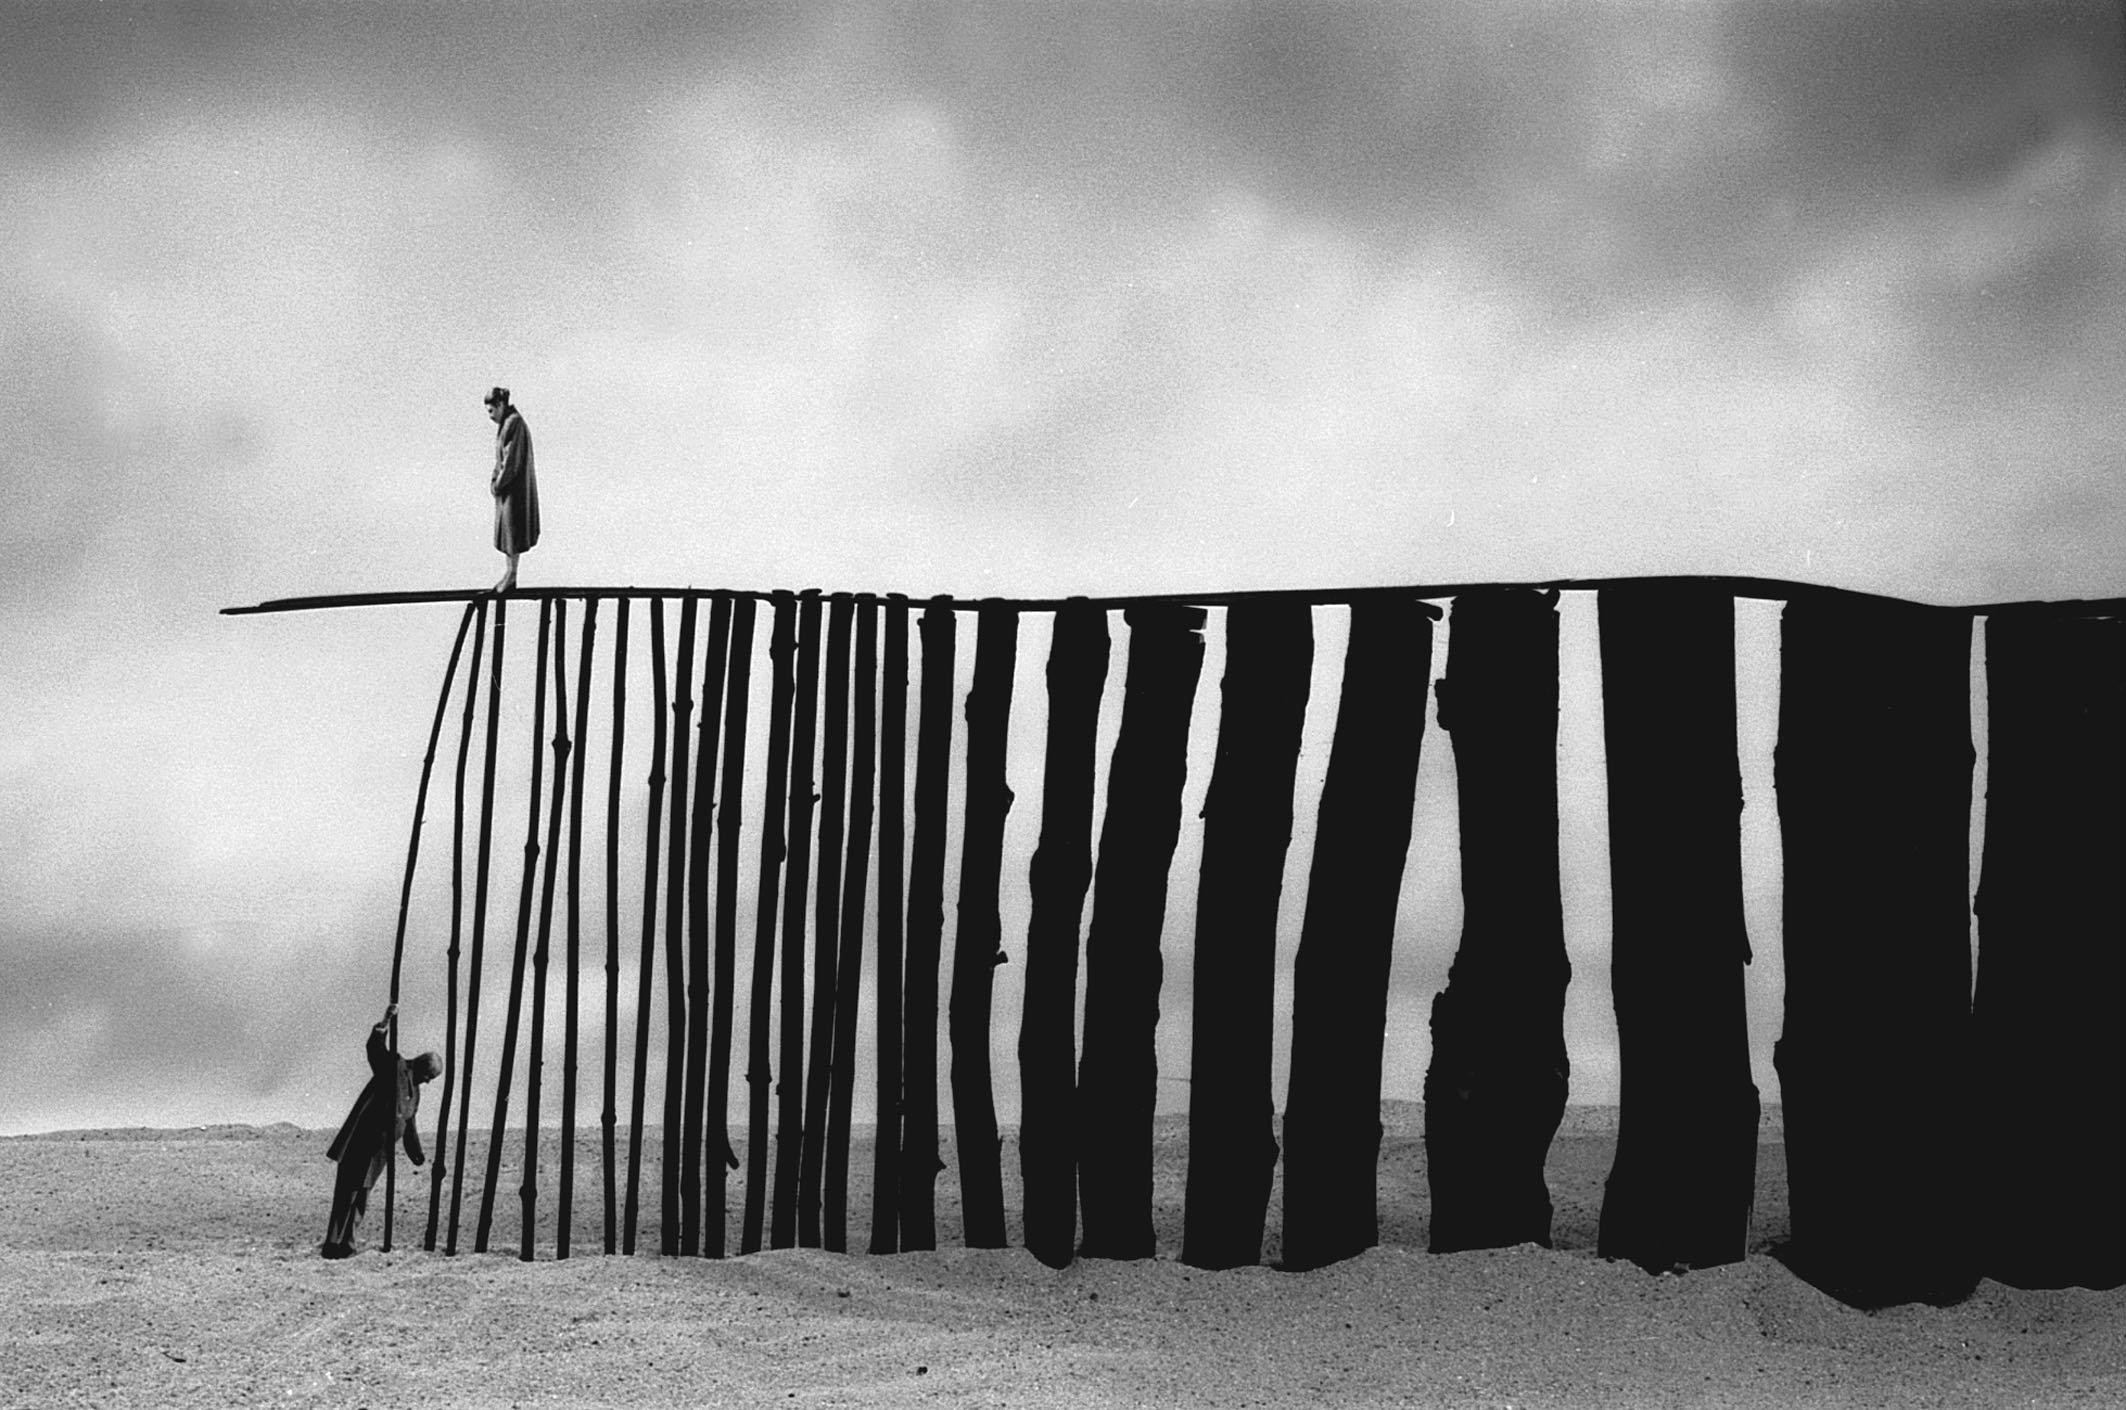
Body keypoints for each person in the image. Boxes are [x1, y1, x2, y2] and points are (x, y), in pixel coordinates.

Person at [322, 1002, 441, 1259]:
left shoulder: (415, 1092)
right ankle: (333, 1244)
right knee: (348, 1193)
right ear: (422, 1066)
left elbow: (409, 1125)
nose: (429, 1081)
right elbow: (374, 1049)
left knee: (361, 1197)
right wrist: (385, 1021)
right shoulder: (395, 1067)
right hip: (362, 1143)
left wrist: (416, 1153)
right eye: (430, 1075)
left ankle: (348, 1244)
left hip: (379, 1153)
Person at [485, 385, 539, 592]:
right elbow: (500, 459)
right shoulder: (507, 423)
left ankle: (512, 574)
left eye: (491, 411)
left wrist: (498, 484)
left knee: (512, 531)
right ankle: (510, 573)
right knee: (509, 532)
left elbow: (511, 461)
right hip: (508, 489)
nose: (490, 416)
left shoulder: (513, 423)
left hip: (514, 490)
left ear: (500, 405)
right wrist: (494, 480)